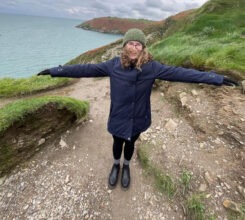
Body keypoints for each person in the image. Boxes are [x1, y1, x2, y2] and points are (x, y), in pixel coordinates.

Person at [37, 28, 239, 190]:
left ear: (143, 47)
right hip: (118, 117)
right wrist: (56, 70)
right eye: (130, 43)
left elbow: (182, 73)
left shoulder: (153, 67)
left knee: (131, 143)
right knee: (117, 142)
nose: (134, 47)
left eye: (138, 44)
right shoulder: (113, 65)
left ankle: (126, 166)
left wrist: (216, 78)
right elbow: (85, 69)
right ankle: (116, 164)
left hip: (139, 118)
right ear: (125, 46)